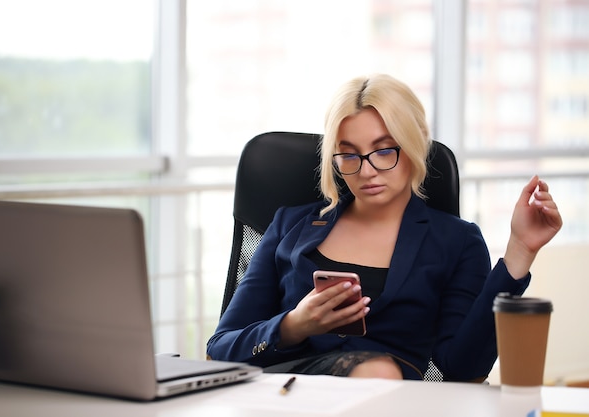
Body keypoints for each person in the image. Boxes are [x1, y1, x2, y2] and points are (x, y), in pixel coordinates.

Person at [206, 74, 563, 381]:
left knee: (378, 373)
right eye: (349, 154)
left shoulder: (456, 241)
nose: (365, 171)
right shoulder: (290, 225)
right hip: (289, 394)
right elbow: (221, 347)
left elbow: (463, 369)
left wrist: (520, 250)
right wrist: (295, 324)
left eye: (383, 150)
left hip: (387, 399)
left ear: (415, 143)